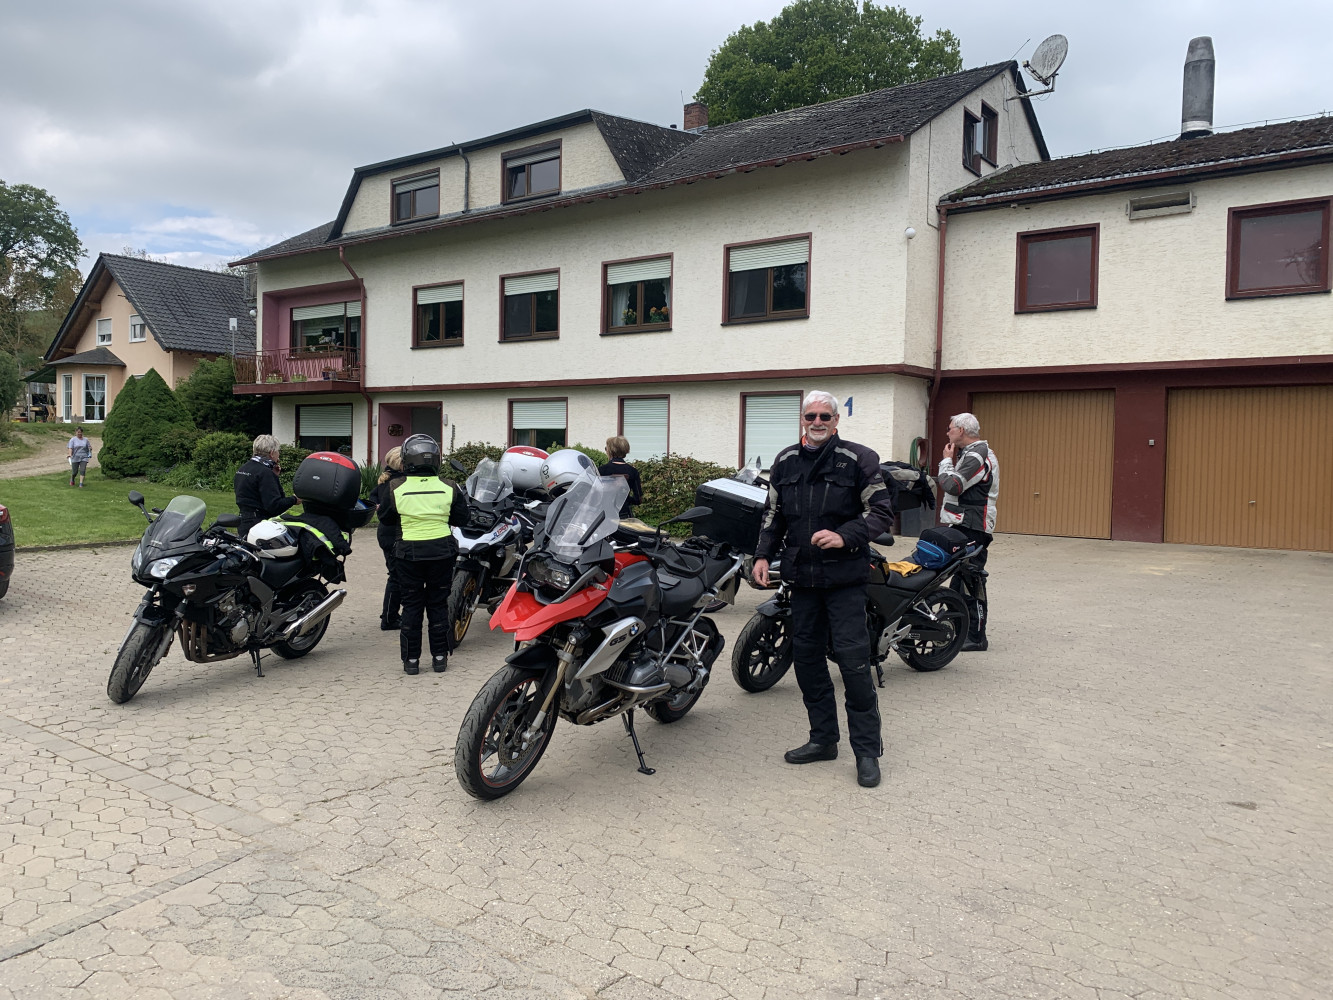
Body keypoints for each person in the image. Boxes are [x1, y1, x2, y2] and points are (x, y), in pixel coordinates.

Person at [752, 390, 895, 788]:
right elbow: (773, 515)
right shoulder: (785, 461)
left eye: (825, 416)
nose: (817, 422)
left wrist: (845, 535)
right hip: (802, 581)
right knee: (808, 662)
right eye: (811, 416)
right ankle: (823, 739)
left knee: (853, 665)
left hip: (844, 580)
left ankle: (867, 752)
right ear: (803, 419)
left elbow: (881, 512)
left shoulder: (858, 459)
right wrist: (762, 555)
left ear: (836, 421)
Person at [375, 434, 471, 675]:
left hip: (408, 554)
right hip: (442, 553)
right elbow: (462, 518)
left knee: (411, 606)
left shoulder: (395, 487)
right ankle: (439, 658)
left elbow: (385, 518)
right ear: (436, 460)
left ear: (407, 460)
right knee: (438, 604)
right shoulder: (450, 486)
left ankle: (411, 661)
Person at [936, 412, 999, 652]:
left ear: (961, 431)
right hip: (966, 524)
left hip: (974, 526)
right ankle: (961, 631)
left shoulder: (976, 455)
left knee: (972, 579)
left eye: (950, 428)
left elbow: (952, 485)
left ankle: (976, 636)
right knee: (959, 579)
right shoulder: (971, 453)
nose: (947, 432)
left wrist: (946, 462)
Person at [234, 434, 300, 539]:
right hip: (259, 524)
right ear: (272, 453)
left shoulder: (243, 469)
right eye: (278, 451)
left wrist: (274, 477)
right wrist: (294, 500)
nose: (278, 455)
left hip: (243, 520)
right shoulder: (265, 473)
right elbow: (275, 506)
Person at [367, 446, 404, 631]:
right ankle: (389, 618)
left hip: (385, 532)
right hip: (394, 533)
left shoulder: (386, 479)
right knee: (396, 577)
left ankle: (391, 614)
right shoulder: (399, 482)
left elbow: (373, 497)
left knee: (396, 574)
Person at [598, 436, 643, 518]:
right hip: (624, 515)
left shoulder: (601, 470)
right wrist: (626, 499)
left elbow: (595, 495)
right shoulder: (633, 471)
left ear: (610, 451)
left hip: (604, 516)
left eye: (606, 448)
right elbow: (638, 500)